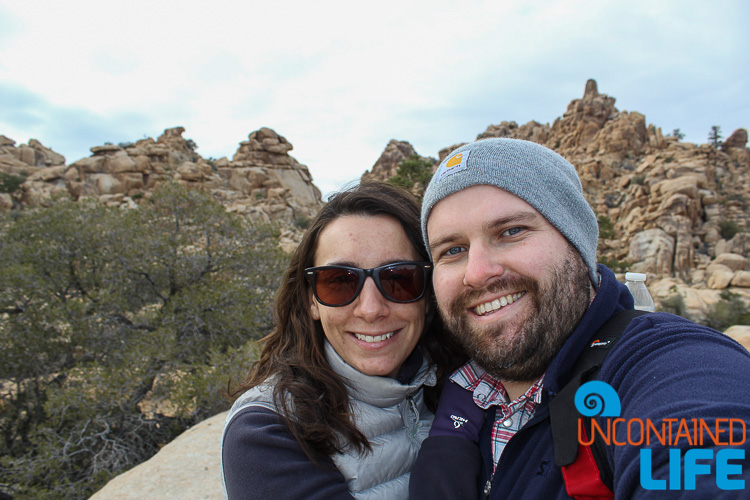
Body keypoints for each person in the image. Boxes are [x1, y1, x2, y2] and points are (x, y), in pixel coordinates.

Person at [410, 138, 750, 498]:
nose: (476, 273)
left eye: (511, 231)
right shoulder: (445, 387)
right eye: (453, 250)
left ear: (577, 243)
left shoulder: (664, 364)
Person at [221, 182, 464, 499]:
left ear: (428, 294)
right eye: (338, 282)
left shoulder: (467, 386)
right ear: (311, 301)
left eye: (399, 278)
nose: (371, 309)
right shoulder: (267, 433)